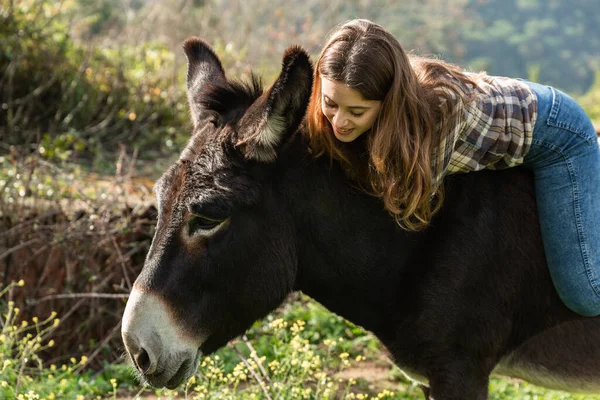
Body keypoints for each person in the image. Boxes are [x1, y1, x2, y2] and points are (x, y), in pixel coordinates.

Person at [306, 19, 600, 317]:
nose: (339, 122)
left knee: (587, 294)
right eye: (330, 103)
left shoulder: (436, 116)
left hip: (558, 136)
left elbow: (404, 206)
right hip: (523, 99)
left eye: (357, 112)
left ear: (389, 103)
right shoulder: (354, 106)